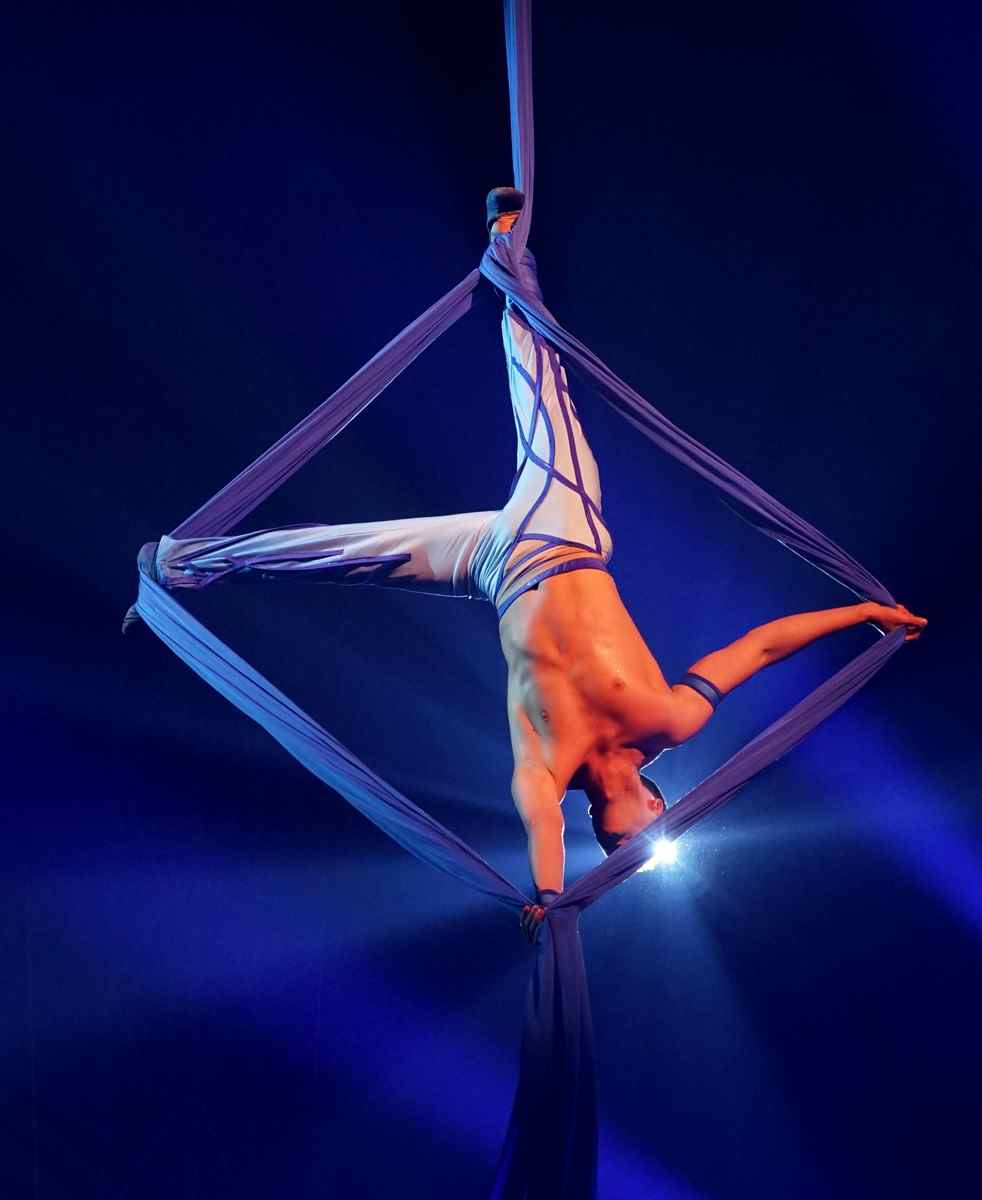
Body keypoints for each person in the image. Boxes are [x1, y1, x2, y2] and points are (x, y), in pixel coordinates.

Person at [128, 187, 927, 939]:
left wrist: (550, 897)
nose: (621, 844)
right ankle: (509, 252)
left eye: (616, 854)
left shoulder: (551, 770)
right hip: (567, 533)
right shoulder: (671, 721)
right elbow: (758, 647)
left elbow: (543, 828)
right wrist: (863, 613)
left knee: (342, 551)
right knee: (542, 387)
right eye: (639, 843)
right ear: (656, 802)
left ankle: (178, 566)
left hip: (494, 570)